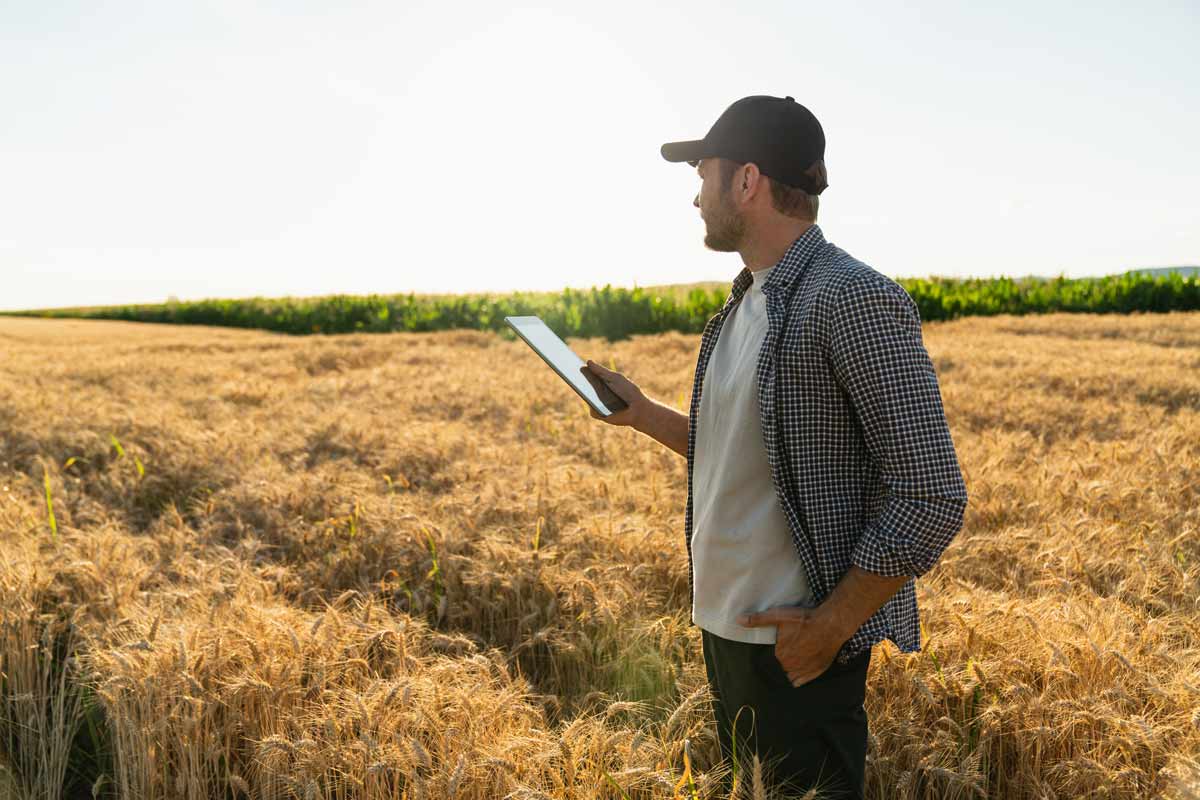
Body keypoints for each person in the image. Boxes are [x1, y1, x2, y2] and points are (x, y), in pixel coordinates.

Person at [582, 95, 968, 799]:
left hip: (797, 655)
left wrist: (828, 629)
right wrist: (640, 414)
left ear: (747, 181)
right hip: (727, 634)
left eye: (704, 174)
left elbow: (932, 495)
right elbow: (745, 451)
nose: (696, 196)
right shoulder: (743, 304)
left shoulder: (849, 298)